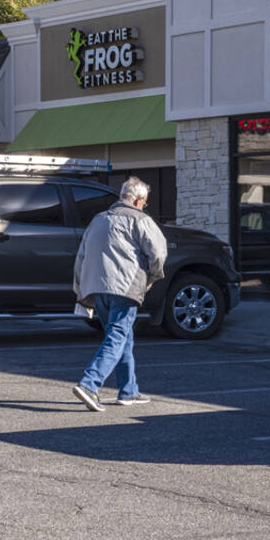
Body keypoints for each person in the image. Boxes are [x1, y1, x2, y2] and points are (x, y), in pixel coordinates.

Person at [71, 176, 167, 412]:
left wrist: (81, 290)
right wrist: (152, 277)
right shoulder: (140, 219)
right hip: (124, 286)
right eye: (145, 202)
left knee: (122, 338)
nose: (145, 206)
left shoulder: (98, 220)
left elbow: (81, 257)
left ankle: (128, 391)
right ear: (138, 200)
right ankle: (89, 384)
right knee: (117, 337)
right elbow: (158, 253)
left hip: (97, 287)